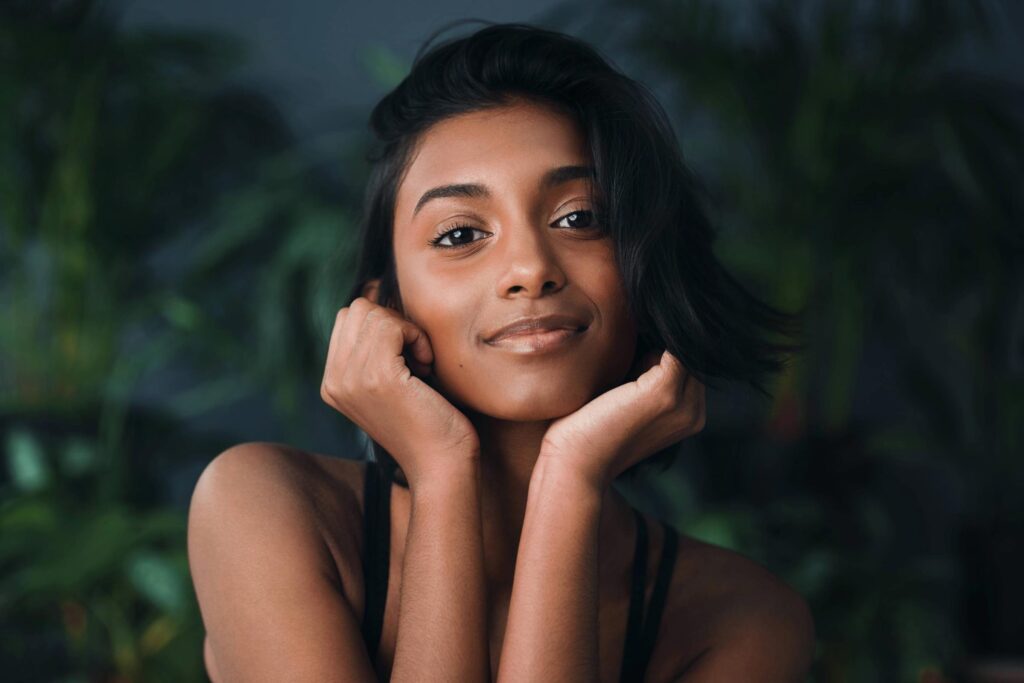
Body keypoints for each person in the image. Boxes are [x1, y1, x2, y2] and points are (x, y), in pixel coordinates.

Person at [187, 21, 815, 682]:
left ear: (646, 272)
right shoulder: (266, 509)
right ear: (384, 307)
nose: (529, 267)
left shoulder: (743, 620)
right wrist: (441, 466)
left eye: (579, 218)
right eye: (460, 233)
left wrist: (568, 483)